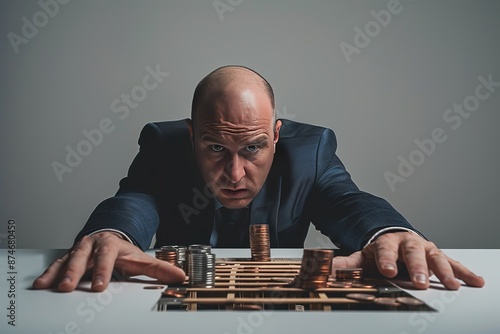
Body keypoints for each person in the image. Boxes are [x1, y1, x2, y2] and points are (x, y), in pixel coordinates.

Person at [33, 65, 484, 293]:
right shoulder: (163, 146)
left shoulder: (310, 153)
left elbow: (347, 200)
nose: (233, 174)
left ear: (275, 135)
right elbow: (135, 199)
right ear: (190, 137)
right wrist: (110, 233)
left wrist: (390, 232)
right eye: (214, 148)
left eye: (252, 148)